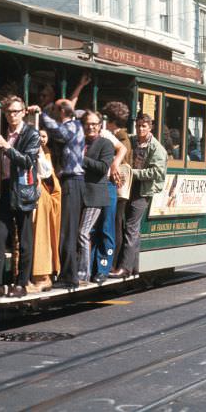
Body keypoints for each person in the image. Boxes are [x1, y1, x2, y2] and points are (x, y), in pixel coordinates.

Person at [0, 96, 41, 300]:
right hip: (4, 187)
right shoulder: (1, 131)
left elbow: (27, 162)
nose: (12, 116)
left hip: (23, 190)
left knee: (24, 239)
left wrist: (6, 146)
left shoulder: (31, 134)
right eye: (8, 112)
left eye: (16, 112)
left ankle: (22, 283)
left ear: (23, 112)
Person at [29, 98, 85, 289]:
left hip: (72, 182)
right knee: (66, 230)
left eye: (56, 112)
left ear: (62, 113)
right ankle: (66, 273)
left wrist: (41, 113)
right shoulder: (76, 125)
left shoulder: (72, 127)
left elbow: (56, 130)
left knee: (67, 231)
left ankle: (69, 277)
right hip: (71, 182)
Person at [110, 113, 168, 278]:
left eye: (144, 126)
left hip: (142, 191)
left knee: (131, 227)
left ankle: (125, 269)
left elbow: (157, 172)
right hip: (128, 188)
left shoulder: (157, 148)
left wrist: (131, 173)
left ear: (150, 127)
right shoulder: (133, 140)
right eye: (138, 126)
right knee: (130, 228)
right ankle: (134, 267)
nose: (140, 129)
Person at [77, 110, 115, 285]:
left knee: (83, 233)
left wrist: (81, 159)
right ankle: (82, 269)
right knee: (82, 234)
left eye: (94, 124)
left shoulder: (105, 144)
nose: (90, 127)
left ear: (100, 126)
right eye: (87, 124)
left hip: (95, 196)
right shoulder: (79, 141)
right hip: (78, 194)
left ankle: (83, 273)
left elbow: (102, 168)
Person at [101, 101, 133, 275]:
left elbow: (122, 162)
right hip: (114, 186)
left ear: (111, 121)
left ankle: (112, 263)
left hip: (118, 187)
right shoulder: (119, 136)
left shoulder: (121, 139)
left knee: (115, 224)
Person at [27, 129, 61, 293]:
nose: (40, 139)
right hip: (25, 193)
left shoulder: (45, 153)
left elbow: (47, 174)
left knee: (40, 234)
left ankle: (42, 276)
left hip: (41, 196)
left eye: (43, 136)